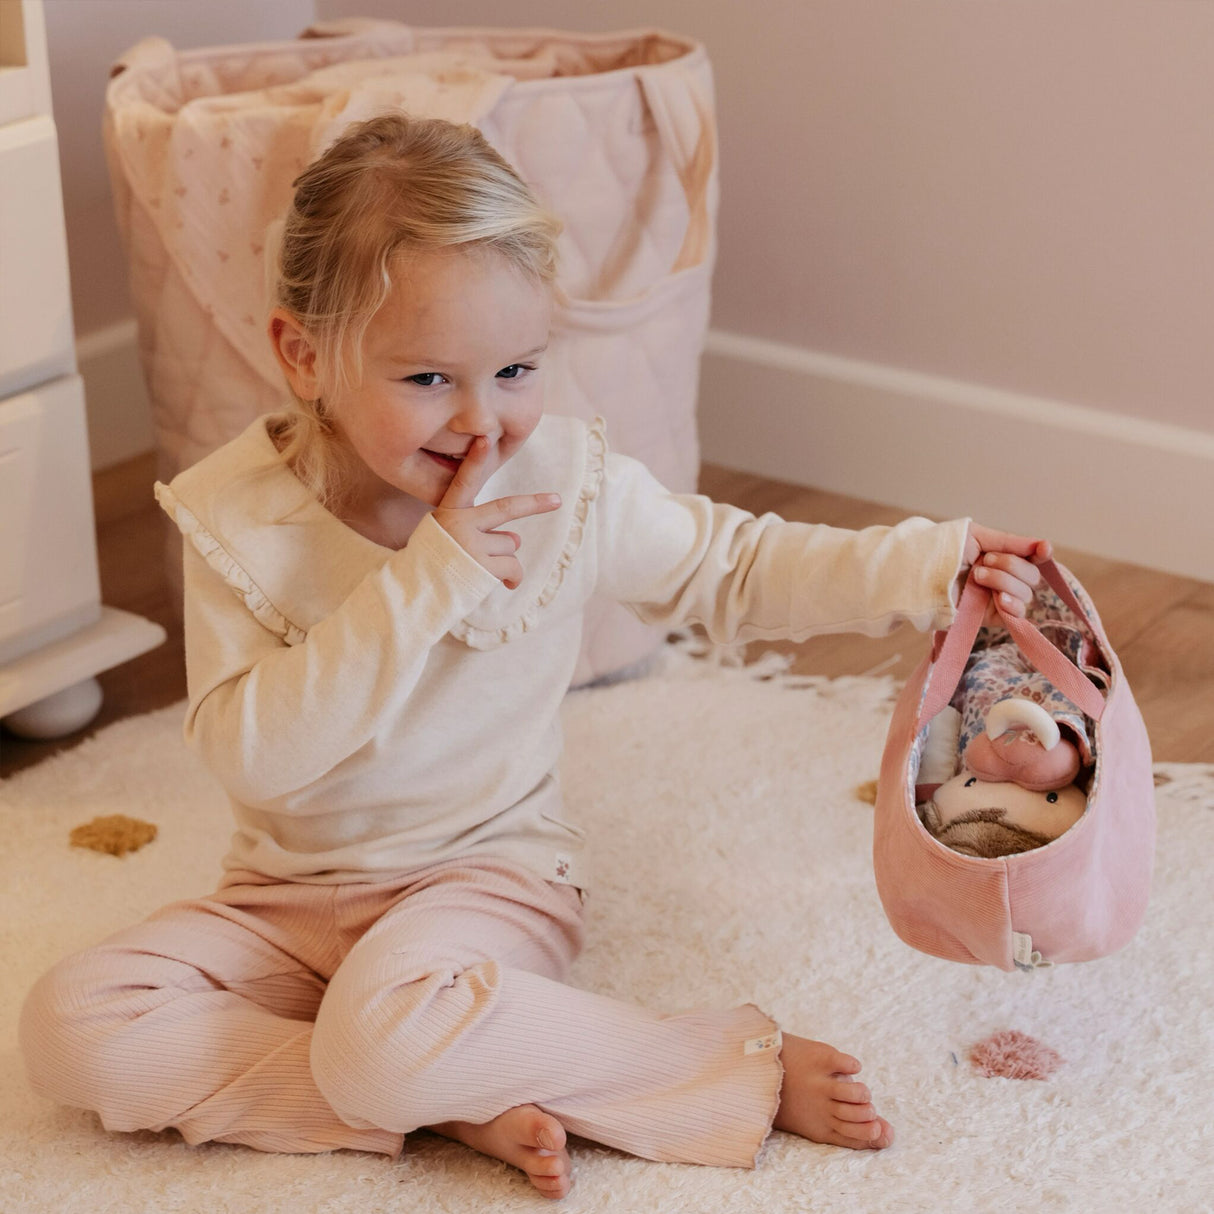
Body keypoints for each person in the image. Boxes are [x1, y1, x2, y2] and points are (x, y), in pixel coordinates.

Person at [19, 113, 1050, 1200]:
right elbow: (256, 758)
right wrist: (426, 581)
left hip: (485, 877)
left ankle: (712, 1064)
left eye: (514, 368)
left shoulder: (558, 480)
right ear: (303, 355)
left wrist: (924, 565)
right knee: (71, 1027)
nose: (483, 421)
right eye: (427, 379)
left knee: (385, 1032)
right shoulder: (238, 514)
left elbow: (733, 567)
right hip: (278, 896)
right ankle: (440, 1094)